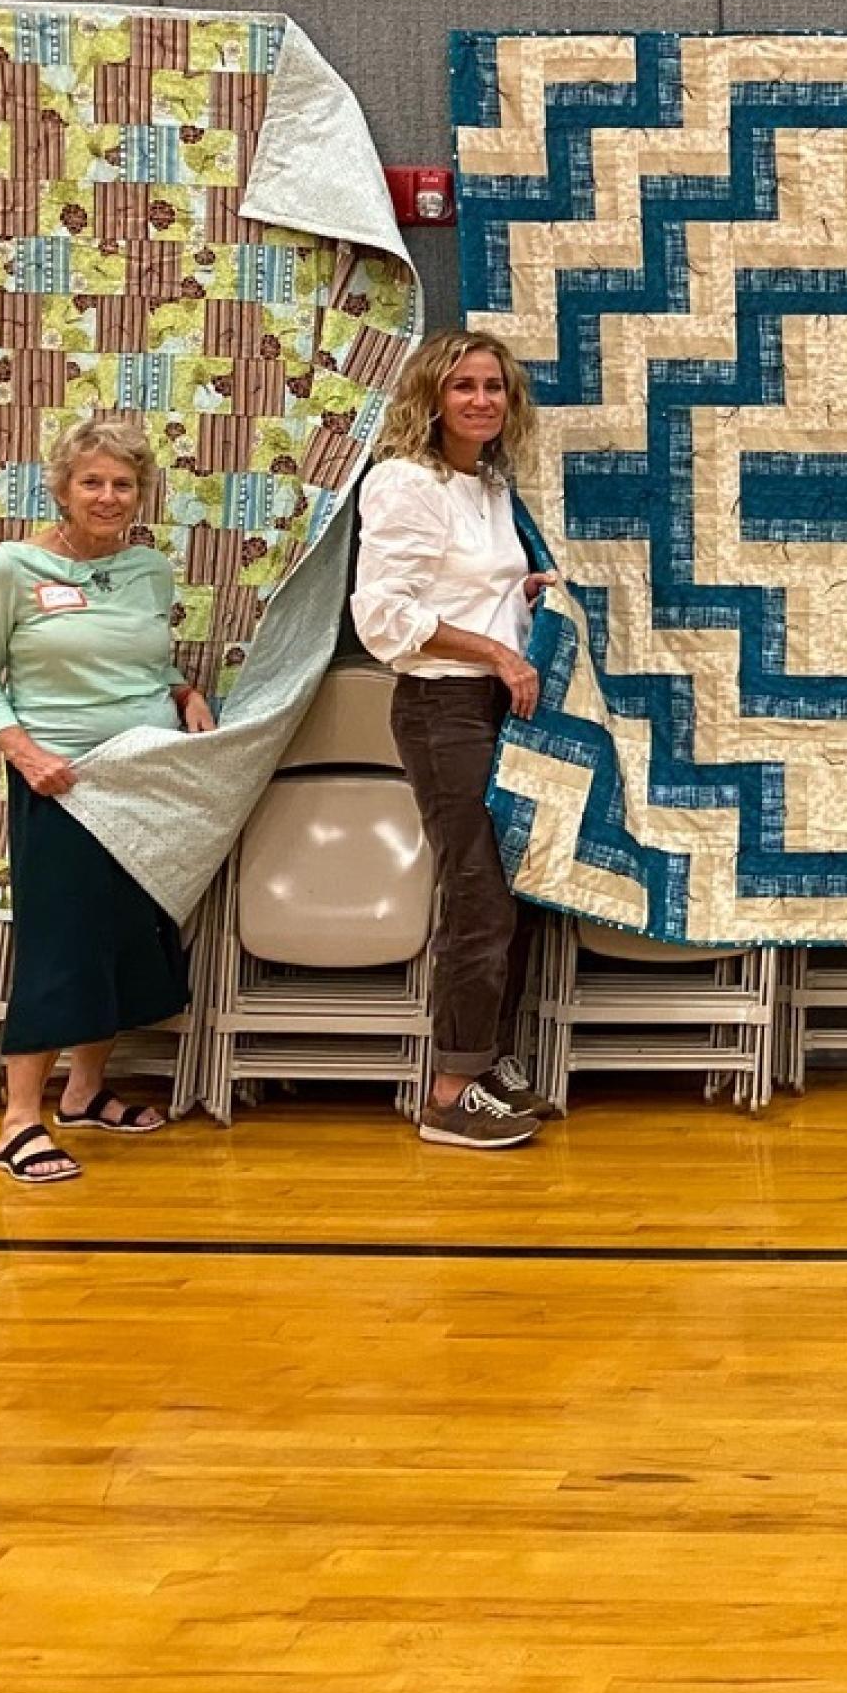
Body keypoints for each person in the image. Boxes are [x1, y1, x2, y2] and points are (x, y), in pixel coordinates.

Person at [0, 412, 213, 1184]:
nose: (108, 496)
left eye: (123, 484)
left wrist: (184, 689)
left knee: (122, 939)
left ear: (141, 494)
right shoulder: (11, 568)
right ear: (62, 488)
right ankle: (17, 1123)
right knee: (60, 945)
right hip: (59, 782)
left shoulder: (150, 570)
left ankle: (86, 1092)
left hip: (142, 777)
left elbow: (142, 661)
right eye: (92, 482)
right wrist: (25, 754)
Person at [351, 329, 557, 1152]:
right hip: (445, 709)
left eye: (494, 388)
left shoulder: (492, 486)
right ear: (430, 397)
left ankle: (488, 1060)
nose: (480, 400)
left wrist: (523, 597)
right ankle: (448, 1091)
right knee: (478, 893)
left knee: (515, 892)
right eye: (463, 386)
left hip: (497, 706)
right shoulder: (406, 483)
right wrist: (497, 650)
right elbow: (384, 615)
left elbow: (469, 589)